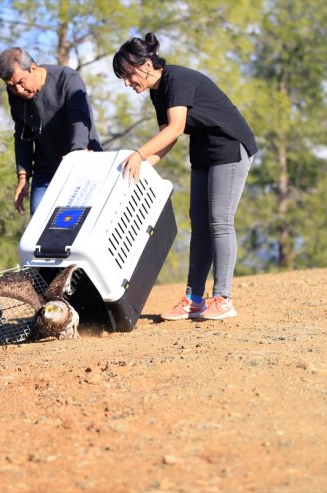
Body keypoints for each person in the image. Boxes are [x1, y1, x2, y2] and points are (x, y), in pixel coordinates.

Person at [113, 33, 258, 321]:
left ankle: (223, 298)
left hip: (230, 145)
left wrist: (139, 155)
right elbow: (167, 139)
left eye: (127, 75)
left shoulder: (176, 80)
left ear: (143, 65)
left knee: (219, 220)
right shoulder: (158, 93)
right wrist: (143, 171)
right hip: (203, 150)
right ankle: (194, 299)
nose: (127, 83)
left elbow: (176, 127)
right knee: (199, 223)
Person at [0, 47, 102, 215]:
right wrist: (23, 177)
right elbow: (22, 135)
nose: (18, 90)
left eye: (21, 82)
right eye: (11, 86)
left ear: (33, 68)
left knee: (76, 228)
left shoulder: (67, 78)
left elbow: (79, 120)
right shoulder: (15, 93)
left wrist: (77, 154)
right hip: (45, 173)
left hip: (82, 165)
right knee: (40, 233)